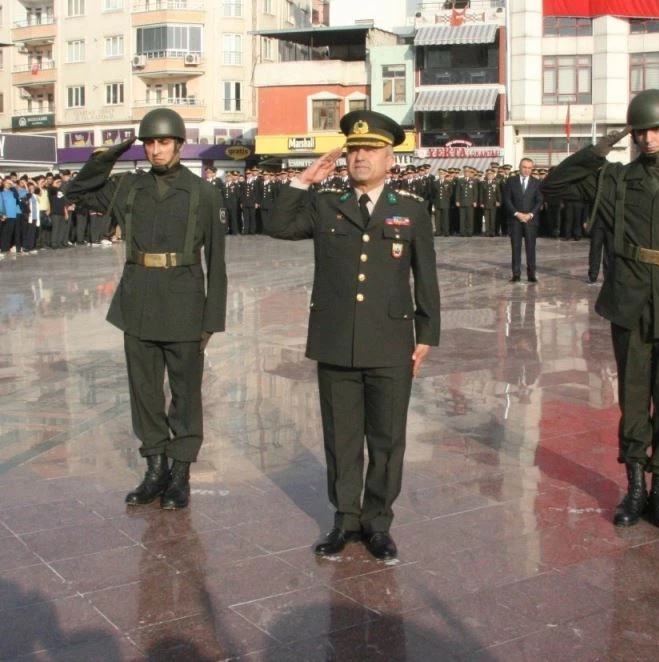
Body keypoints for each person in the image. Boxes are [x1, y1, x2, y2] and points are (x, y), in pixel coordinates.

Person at [541, 89, 659, 530]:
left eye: (655, 129)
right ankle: (635, 486)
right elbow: (554, 185)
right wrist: (601, 146)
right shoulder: (616, 181)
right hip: (629, 303)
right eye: (639, 131)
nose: (646, 138)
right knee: (633, 397)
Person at [266, 110, 441, 560]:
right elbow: (279, 225)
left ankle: (378, 523)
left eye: (370, 150)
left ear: (389, 157)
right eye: (354, 150)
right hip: (336, 340)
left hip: (389, 341)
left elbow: (426, 277)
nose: (360, 157)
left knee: (386, 438)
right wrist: (304, 180)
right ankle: (345, 520)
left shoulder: (410, 210)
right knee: (341, 437)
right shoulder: (327, 204)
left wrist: (427, 335)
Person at [64, 107, 227, 510]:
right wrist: (107, 156)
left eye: (164, 142)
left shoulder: (203, 193)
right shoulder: (128, 188)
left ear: (179, 145)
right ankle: (155, 468)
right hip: (137, 300)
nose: (156, 150)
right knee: (144, 391)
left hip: (185, 301)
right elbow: (77, 191)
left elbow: (218, 262)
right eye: (150, 142)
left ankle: (180, 473)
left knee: (186, 393)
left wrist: (212, 319)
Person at [504, 157, 543, 282]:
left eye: (529, 168)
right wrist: (517, 213)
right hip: (515, 220)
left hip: (530, 221)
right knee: (516, 248)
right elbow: (507, 200)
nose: (527, 170)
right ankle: (516, 274)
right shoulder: (511, 181)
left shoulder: (537, 183)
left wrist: (530, 214)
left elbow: (539, 201)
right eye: (524, 167)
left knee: (530, 248)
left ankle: (531, 274)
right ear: (520, 167)